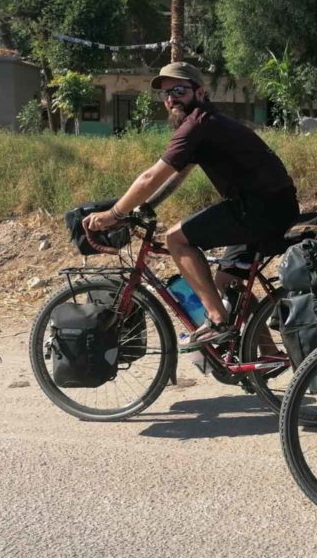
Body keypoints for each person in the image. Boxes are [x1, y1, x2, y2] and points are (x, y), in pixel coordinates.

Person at [83, 62, 299, 348]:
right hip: (271, 205)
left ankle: (217, 321)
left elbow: (150, 176)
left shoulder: (197, 123)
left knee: (177, 239)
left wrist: (113, 214)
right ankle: (264, 357)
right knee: (226, 283)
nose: (171, 98)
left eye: (179, 90)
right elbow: (175, 176)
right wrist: (146, 207)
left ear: (200, 91)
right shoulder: (207, 123)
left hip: (259, 207)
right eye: (166, 94)